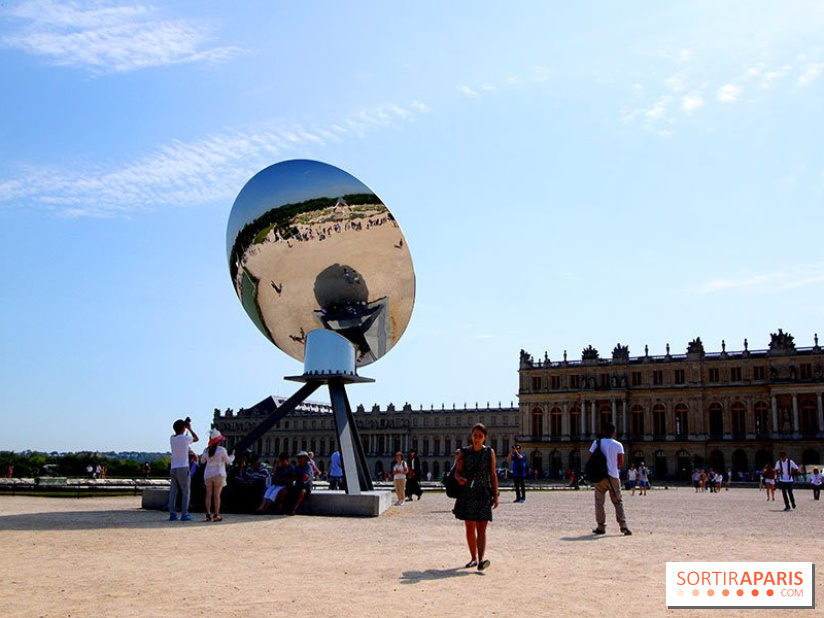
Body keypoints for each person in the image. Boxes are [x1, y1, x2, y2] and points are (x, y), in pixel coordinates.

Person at [453, 423, 499, 571]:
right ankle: (473, 558)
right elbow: (457, 472)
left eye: (480, 436)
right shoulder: (464, 452)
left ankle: (481, 560)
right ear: (471, 436)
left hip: (483, 492)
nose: (477, 438)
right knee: (469, 527)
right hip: (468, 492)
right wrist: (459, 478)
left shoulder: (489, 452)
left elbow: (493, 474)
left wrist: (496, 494)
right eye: (475, 435)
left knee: (482, 528)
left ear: (485, 437)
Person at [589, 422, 631, 536]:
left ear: (602, 432)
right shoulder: (618, 445)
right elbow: (621, 463)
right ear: (614, 433)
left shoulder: (596, 443)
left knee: (599, 503)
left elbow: (590, 458)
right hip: (613, 476)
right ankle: (623, 526)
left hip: (600, 477)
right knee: (618, 501)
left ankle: (601, 527)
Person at [168, 418, 199, 521]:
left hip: (173, 467)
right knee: (186, 491)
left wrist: (184, 426)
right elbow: (196, 438)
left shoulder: (172, 438)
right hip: (183, 466)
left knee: (173, 492)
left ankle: (172, 514)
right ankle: (184, 514)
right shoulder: (184, 438)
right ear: (183, 428)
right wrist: (189, 428)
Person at [200, 429, 234, 522]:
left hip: (208, 474)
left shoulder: (206, 450)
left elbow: (202, 461)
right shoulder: (222, 450)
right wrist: (233, 456)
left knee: (208, 494)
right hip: (219, 473)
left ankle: (208, 514)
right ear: (219, 441)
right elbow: (229, 462)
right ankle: (216, 514)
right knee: (217, 495)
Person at [288, 451, 313, 515]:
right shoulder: (298, 467)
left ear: (305, 459)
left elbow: (305, 477)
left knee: (302, 491)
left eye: (301, 457)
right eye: (298, 457)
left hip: (306, 487)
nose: (299, 459)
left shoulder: (308, 467)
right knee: (288, 490)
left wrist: (298, 477)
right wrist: (299, 477)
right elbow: (292, 477)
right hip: (298, 485)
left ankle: (294, 509)